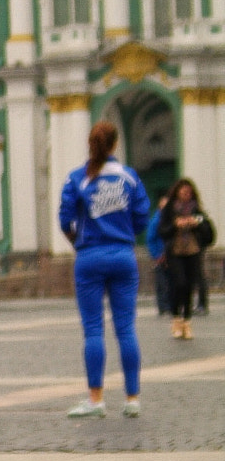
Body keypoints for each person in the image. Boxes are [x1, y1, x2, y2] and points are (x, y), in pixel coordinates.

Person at [58, 121, 150, 417]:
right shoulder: (130, 177)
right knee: (126, 329)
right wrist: (125, 233)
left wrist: (79, 241)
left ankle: (96, 400)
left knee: (93, 330)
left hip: (90, 257)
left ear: (90, 144)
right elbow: (141, 218)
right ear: (115, 144)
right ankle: (132, 398)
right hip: (123, 255)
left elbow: (65, 219)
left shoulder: (77, 178)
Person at [159, 178, 216, 339]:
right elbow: (162, 231)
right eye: (183, 192)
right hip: (175, 252)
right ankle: (176, 319)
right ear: (177, 192)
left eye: (189, 193)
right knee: (180, 284)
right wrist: (175, 226)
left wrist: (196, 223)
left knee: (190, 285)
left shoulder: (197, 210)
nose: (186, 195)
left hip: (193, 250)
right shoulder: (169, 209)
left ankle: (187, 322)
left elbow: (208, 230)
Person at [145, 196, 171, 316]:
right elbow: (150, 239)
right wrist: (156, 254)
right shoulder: (156, 220)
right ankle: (163, 306)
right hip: (160, 255)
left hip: (171, 254)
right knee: (162, 282)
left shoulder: (170, 219)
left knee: (171, 281)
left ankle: (170, 304)